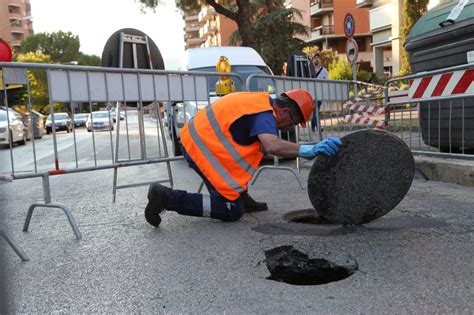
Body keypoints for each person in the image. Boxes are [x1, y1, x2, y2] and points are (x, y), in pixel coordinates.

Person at [144, 89, 342, 227]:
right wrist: (307, 149)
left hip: (197, 139)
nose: (290, 128)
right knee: (231, 210)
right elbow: (272, 145)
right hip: (198, 147)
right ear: (283, 111)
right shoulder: (265, 115)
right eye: (292, 122)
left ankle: (241, 196)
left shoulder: (261, 102)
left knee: (236, 174)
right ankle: (166, 198)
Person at [310, 53, 328, 132]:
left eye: (318, 58)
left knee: (316, 110)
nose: (316, 60)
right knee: (315, 110)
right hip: (311, 94)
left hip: (320, 93)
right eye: (314, 58)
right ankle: (318, 126)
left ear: (320, 61)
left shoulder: (324, 70)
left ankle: (312, 126)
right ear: (312, 61)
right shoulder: (310, 70)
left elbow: (326, 81)